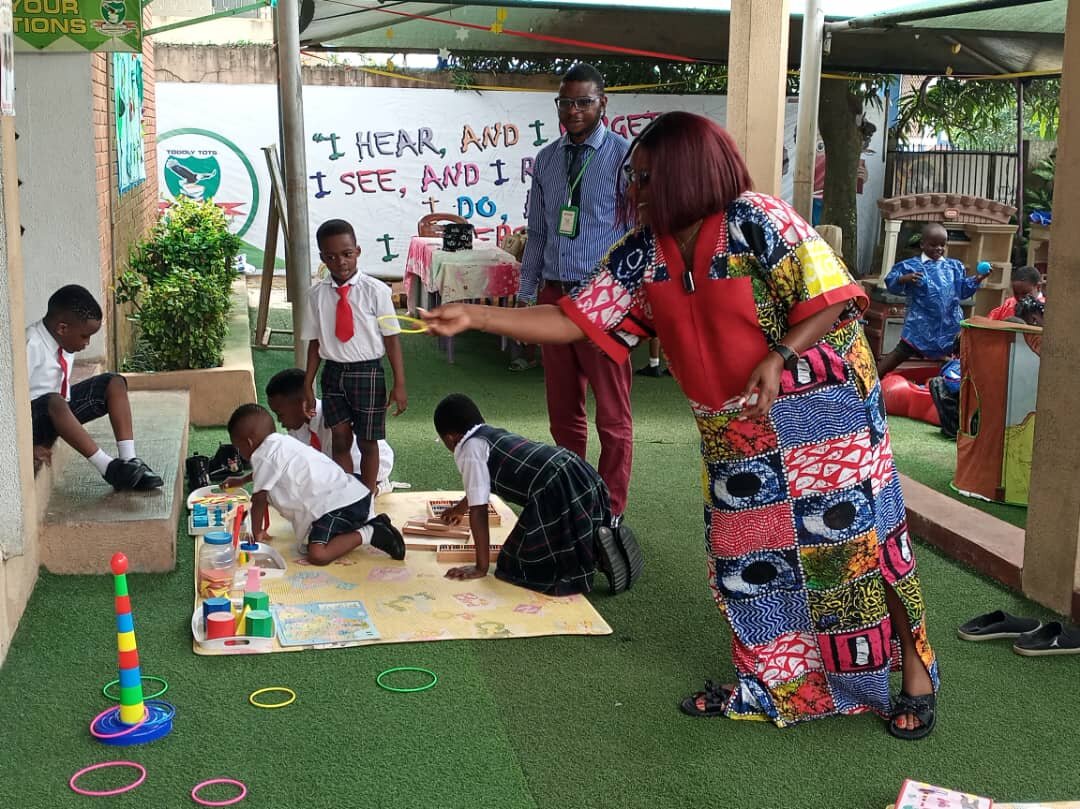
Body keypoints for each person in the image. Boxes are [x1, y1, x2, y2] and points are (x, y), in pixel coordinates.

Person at [421, 112, 939, 739]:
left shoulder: (759, 220)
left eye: (647, 177)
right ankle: (781, 684)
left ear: (689, 174)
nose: (635, 190)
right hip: (736, 429)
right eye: (635, 178)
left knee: (857, 548)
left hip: (826, 416)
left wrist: (780, 355)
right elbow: (573, 320)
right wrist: (476, 315)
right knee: (748, 559)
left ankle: (916, 677)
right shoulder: (642, 253)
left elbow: (831, 299)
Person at [516, 62, 634, 521]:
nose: (574, 110)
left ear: (603, 103)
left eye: (584, 102)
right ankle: (573, 499)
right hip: (554, 298)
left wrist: (630, 297)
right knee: (563, 414)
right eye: (566, 102)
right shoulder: (546, 160)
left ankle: (610, 510)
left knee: (613, 417)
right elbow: (538, 232)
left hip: (603, 302)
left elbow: (637, 234)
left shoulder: (625, 157)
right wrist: (527, 295)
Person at [433, 394, 642, 595]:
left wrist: (480, 567)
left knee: (519, 563)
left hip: (552, 485)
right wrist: (459, 509)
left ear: (451, 439)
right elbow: (479, 487)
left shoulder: (469, 450)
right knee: (573, 524)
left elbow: (479, 510)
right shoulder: (488, 434)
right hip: (574, 466)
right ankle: (605, 545)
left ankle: (595, 555)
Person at [301, 219, 407, 496]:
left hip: (368, 373)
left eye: (347, 254)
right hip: (333, 373)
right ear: (322, 257)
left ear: (358, 251)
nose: (340, 262)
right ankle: (347, 495)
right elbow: (314, 342)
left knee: (368, 441)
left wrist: (399, 383)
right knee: (339, 438)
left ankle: (367, 497)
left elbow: (391, 339)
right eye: (331, 257)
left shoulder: (377, 291)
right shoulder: (316, 295)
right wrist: (308, 384)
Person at [227, 403, 405, 566]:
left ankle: (371, 531)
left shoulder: (262, 456)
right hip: (354, 496)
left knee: (318, 554)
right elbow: (265, 473)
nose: (241, 454)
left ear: (249, 443)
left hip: (338, 507)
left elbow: (259, 499)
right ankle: (365, 526)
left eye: (239, 448)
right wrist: (241, 480)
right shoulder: (282, 443)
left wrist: (256, 534)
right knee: (322, 538)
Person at [26, 285, 163, 491]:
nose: (87, 343)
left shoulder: (63, 340)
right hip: (31, 423)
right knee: (55, 401)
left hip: (59, 413)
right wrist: (25, 447)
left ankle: (130, 462)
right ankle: (109, 468)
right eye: (84, 336)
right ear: (62, 328)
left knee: (114, 383)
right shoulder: (30, 345)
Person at [223, 368, 397, 497]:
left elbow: (343, 473)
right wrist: (242, 480)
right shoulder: (297, 430)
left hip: (366, 470)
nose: (280, 421)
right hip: (337, 473)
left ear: (303, 403)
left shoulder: (334, 420)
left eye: (280, 414)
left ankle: (376, 488)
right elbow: (279, 463)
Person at [876, 222, 990, 377]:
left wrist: (978, 278)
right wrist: (904, 278)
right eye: (933, 245)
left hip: (950, 326)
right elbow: (891, 283)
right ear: (922, 244)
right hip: (920, 327)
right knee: (900, 353)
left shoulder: (954, 267)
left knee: (964, 355)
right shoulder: (910, 266)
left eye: (942, 245)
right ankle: (872, 382)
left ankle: (967, 383)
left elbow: (962, 291)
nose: (938, 249)